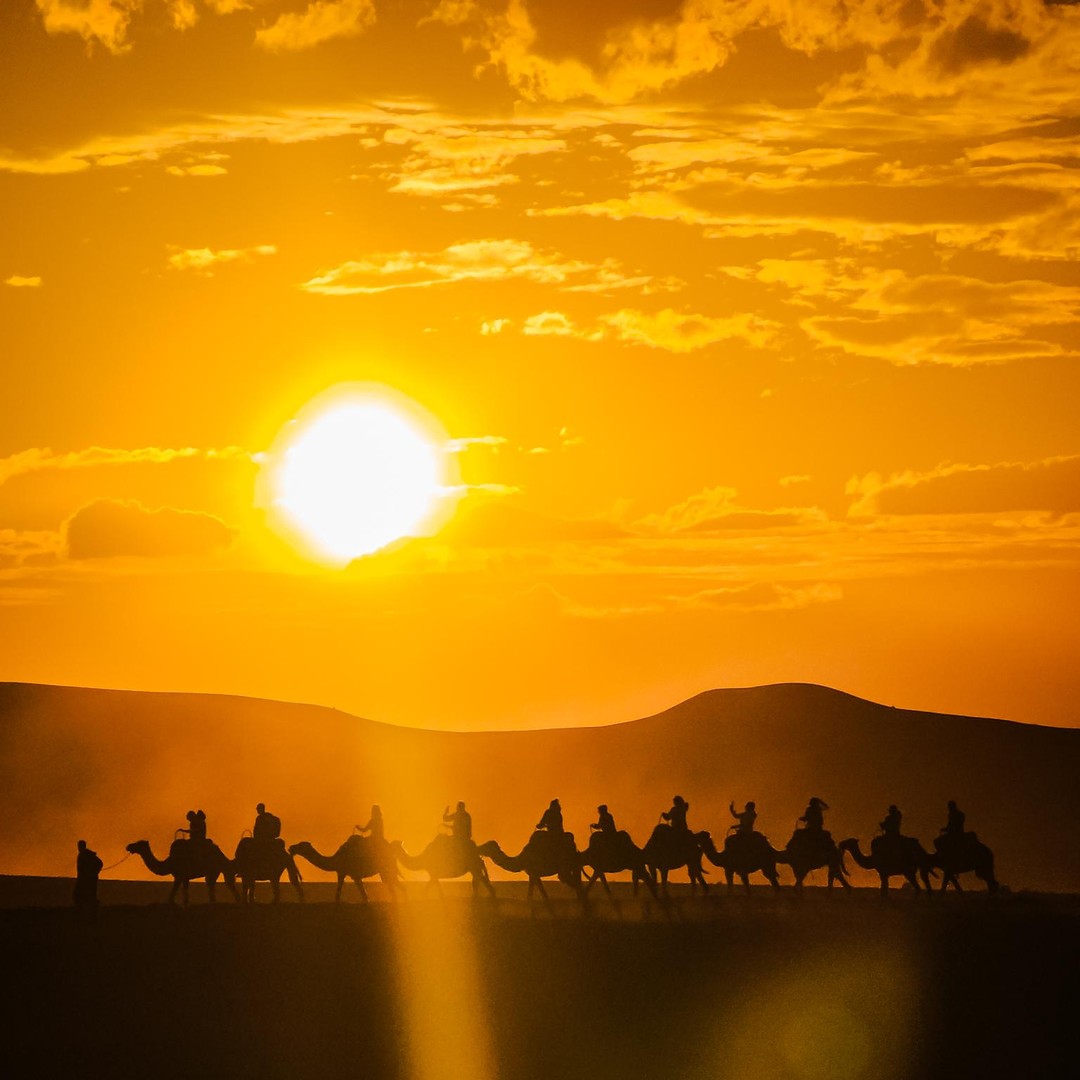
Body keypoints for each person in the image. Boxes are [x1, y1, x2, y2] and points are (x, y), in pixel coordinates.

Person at [73, 840, 103, 913]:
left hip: (87, 878)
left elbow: (99, 863)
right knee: (87, 894)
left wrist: (93, 872)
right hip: (86, 878)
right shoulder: (86, 854)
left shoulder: (87, 855)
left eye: (80, 846)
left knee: (81, 894)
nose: (79, 847)